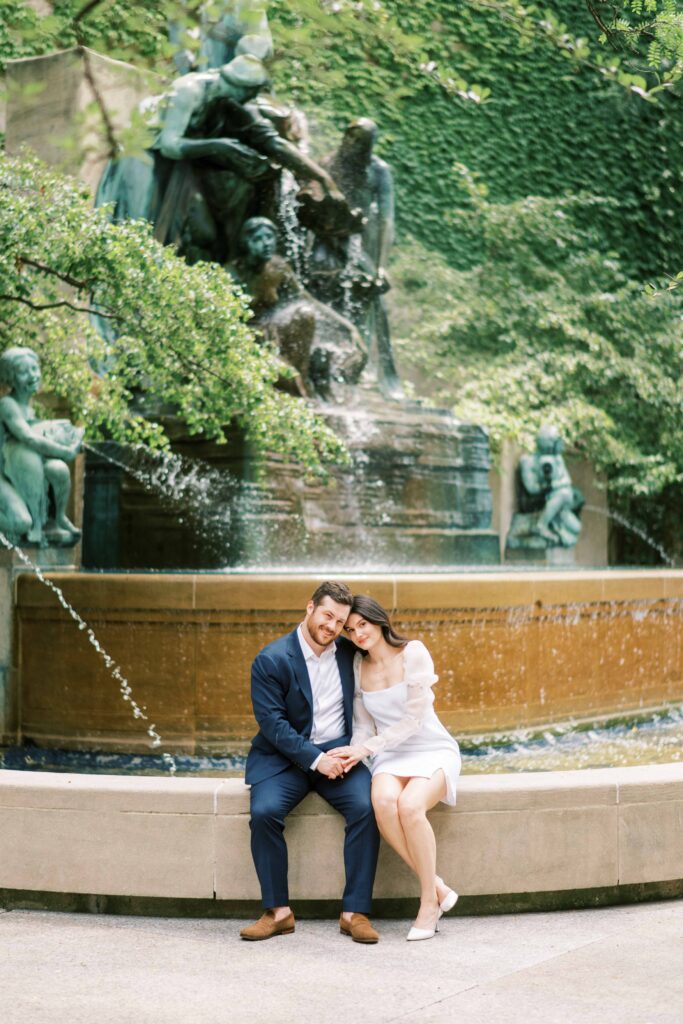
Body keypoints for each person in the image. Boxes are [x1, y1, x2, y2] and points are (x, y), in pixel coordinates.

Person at [241, 580, 381, 943]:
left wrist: (354, 751)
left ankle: (354, 912)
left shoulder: (351, 654)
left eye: (340, 621)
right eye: (327, 615)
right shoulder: (271, 659)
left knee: (367, 808)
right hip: (286, 759)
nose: (332, 626)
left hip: (340, 756)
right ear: (310, 608)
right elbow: (273, 725)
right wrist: (316, 760)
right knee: (264, 813)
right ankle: (278, 912)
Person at [331, 595, 461, 941]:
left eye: (363, 625)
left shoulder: (414, 652)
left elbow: (414, 719)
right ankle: (436, 886)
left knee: (410, 806)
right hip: (391, 755)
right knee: (385, 803)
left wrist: (367, 749)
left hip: (430, 747)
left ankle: (428, 905)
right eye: (350, 629)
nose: (358, 634)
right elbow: (362, 725)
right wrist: (352, 751)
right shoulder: (359, 666)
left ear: (378, 621)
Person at [0, 347, 83, 547]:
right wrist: (66, 451)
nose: (32, 376)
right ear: (10, 378)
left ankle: (59, 517)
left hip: (19, 473)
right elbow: (28, 439)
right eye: (23, 372)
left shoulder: (30, 408)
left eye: (35, 369)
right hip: (4, 476)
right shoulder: (7, 404)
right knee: (21, 523)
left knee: (58, 469)